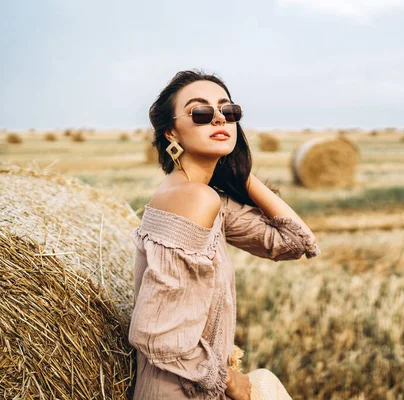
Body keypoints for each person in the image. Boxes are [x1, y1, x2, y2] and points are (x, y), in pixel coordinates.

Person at [128, 69, 321, 400]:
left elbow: (295, 242)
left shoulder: (206, 195)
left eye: (228, 111)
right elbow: (156, 333)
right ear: (172, 132)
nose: (219, 118)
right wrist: (228, 380)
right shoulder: (193, 199)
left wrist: (238, 171)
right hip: (183, 392)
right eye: (201, 112)